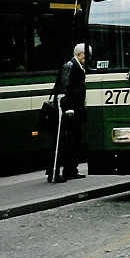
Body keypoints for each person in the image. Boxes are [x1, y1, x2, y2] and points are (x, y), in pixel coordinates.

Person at [48, 43, 88, 183]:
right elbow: (64, 89)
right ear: (79, 54)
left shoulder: (78, 66)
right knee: (63, 141)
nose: (88, 58)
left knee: (74, 140)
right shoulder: (70, 66)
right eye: (86, 55)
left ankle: (71, 170)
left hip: (75, 109)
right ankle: (56, 171)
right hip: (68, 111)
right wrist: (67, 107)